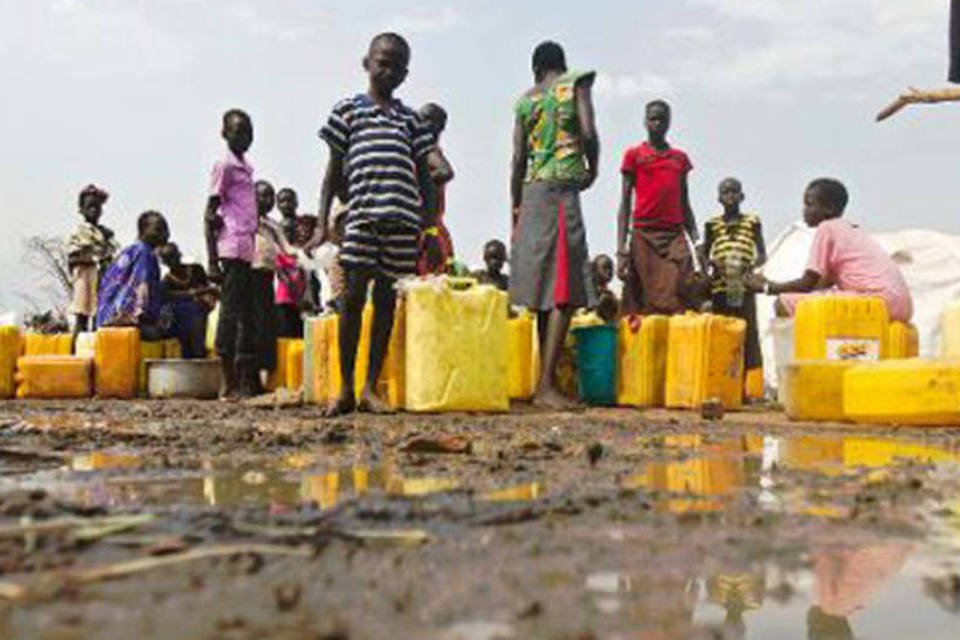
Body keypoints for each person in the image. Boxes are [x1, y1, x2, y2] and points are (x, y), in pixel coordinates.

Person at [311, 32, 452, 416]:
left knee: (387, 304)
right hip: (362, 219)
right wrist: (323, 222)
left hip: (403, 224)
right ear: (366, 63)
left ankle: (371, 388)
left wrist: (428, 228)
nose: (387, 70)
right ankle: (344, 388)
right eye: (381, 62)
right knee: (352, 301)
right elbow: (332, 173)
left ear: (405, 74)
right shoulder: (347, 112)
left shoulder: (410, 120)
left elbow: (424, 176)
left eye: (395, 65)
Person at [510, 40, 599, 410]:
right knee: (563, 285)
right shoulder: (573, 84)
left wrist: (515, 205)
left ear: (535, 69)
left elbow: (517, 158)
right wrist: (591, 170)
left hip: (531, 191)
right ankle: (545, 386)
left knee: (544, 285)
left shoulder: (525, 100)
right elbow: (589, 133)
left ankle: (542, 381)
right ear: (562, 65)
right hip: (562, 189)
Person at [749, 178, 913, 323]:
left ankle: (805, 356)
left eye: (809, 204)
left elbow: (807, 283)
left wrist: (766, 287)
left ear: (829, 209)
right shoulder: (851, 231)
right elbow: (819, 286)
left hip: (876, 303)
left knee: (783, 304)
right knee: (817, 299)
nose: (804, 210)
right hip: (901, 305)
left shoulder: (827, 228)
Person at [618, 100, 698, 316]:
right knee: (646, 298)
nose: (657, 123)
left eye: (662, 119)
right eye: (653, 118)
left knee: (684, 282)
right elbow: (625, 203)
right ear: (645, 122)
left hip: (674, 234)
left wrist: (696, 241)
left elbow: (685, 202)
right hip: (644, 234)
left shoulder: (679, 159)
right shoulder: (634, 155)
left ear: (669, 122)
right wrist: (621, 251)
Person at [204, 108, 258, 398]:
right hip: (231, 245)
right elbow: (209, 213)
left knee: (247, 315)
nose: (244, 137)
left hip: (247, 248)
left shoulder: (246, 167)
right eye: (238, 131)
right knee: (230, 313)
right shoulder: (224, 165)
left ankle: (244, 379)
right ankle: (228, 381)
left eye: (249, 131)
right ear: (225, 134)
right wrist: (212, 260)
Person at [702, 178, 766, 383]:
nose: (730, 196)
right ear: (719, 198)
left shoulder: (752, 222)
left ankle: (745, 384)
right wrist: (713, 263)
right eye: (725, 192)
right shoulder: (712, 224)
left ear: (742, 196)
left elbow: (762, 254)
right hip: (721, 285)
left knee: (746, 331)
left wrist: (749, 267)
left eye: (734, 191)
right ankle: (722, 380)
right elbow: (704, 253)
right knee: (723, 331)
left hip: (743, 286)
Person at [251, 180, 300, 389]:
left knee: (265, 326)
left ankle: (263, 377)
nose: (268, 200)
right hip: (248, 275)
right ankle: (247, 376)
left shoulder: (272, 225)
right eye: (263, 195)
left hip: (265, 277)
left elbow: (287, 249)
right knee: (248, 326)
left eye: (270, 196)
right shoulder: (245, 221)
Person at [96, 211, 170, 340]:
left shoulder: (130, 251)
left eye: (165, 229)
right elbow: (141, 289)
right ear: (143, 230)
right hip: (121, 320)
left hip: (105, 317)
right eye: (158, 229)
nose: (165, 234)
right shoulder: (144, 253)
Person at [67, 184, 118, 339]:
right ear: (81, 210)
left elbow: (113, 254)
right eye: (89, 206)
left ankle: (96, 354)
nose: (94, 210)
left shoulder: (105, 234)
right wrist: (94, 259)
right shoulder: (79, 232)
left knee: (100, 318)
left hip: (101, 278)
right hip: (84, 277)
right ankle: (75, 356)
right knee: (81, 318)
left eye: (97, 206)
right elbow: (72, 257)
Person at [157, 243, 217, 359]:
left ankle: (198, 351)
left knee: (194, 310)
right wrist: (195, 293)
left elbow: (211, 292)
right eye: (168, 258)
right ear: (164, 262)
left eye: (174, 256)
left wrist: (200, 294)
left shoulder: (196, 270)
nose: (173, 261)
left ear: (179, 255)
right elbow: (167, 298)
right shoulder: (166, 282)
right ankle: (194, 352)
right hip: (182, 319)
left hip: (203, 312)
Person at [416, 102, 456, 275]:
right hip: (427, 230)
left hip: (428, 232)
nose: (419, 124)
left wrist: (415, 184)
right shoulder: (420, 151)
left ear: (439, 127)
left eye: (425, 120)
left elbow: (445, 172)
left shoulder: (429, 151)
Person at [591, 254, 618, 323]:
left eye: (611, 268)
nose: (609, 271)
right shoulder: (588, 292)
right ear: (594, 270)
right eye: (605, 268)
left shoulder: (609, 294)